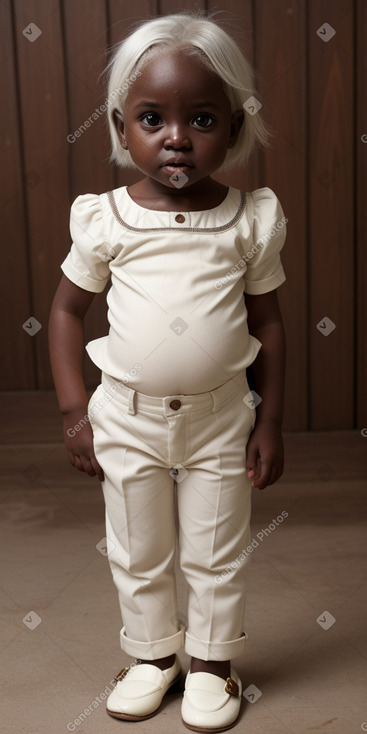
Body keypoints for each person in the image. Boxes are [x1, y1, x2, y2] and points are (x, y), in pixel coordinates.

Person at [49, 11, 287, 732]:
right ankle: (153, 657)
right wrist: (73, 410)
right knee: (138, 548)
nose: (176, 137)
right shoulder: (106, 221)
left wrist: (268, 420)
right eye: (152, 118)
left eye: (202, 118)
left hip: (221, 415)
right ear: (121, 127)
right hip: (125, 416)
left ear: (236, 127)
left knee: (216, 552)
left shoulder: (248, 219)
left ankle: (213, 664)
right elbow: (65, 313)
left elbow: (268, 323)